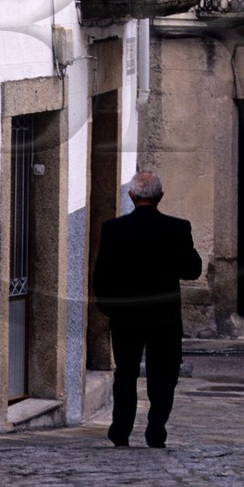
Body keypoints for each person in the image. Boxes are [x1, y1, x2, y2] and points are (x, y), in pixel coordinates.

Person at [92, 169, 202, 448]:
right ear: (160, 196)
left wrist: (111, 309)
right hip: (164, 317)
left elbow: (101, 277)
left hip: (125, 316)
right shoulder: (178, 228)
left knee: (125, 374)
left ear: (130, 195)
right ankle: (155, 429)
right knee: (164, 375)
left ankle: (121, 431)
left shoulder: (113, 229)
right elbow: (192, 270)